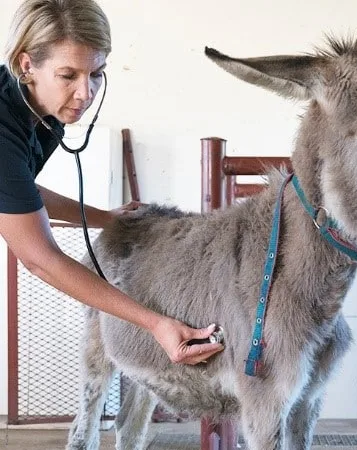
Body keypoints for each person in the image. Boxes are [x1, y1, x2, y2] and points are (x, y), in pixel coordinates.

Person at [0, 0, 223, 366]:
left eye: (97, 73)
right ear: (28, 65)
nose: (86, 93)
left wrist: (106, 218)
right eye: (68, 75)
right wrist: (154, 323)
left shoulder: (39, 109)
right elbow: (41, 260)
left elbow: (18, 191)